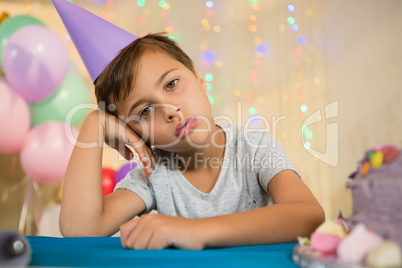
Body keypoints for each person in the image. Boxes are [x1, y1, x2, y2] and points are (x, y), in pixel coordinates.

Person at [59, 32, 325, 250]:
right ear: (136, 134)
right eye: (145, 111)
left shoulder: (253, 148)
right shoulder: (155, 175)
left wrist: (196, 231)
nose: (170, 111)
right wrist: (93, 123)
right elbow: (80, 229)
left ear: (199, 78)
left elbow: (308, 215)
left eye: (172, 84)